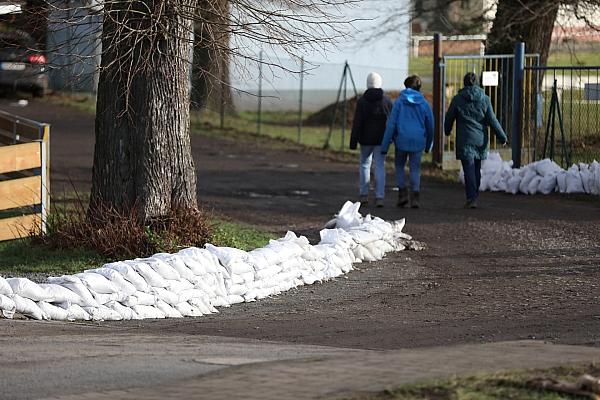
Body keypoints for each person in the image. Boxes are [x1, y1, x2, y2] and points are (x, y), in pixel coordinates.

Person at [444, 72, 508, 209]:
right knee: (476, 169)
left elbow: (449, 117)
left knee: (468, 169)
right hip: (480, 140)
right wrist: (502, 136)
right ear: (477, 83)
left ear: (464, 83)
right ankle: (474, 195)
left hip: (465, 140)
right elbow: (492, 120)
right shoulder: (485, 99)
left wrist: (447, 131)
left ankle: (471, 198)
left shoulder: (457, 99)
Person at [381, 75, 433, 209]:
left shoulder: (399, 102)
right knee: (415, 168)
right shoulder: (424, 103)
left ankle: (402, 195)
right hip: (418, 140)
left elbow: (391, 124)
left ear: (406, 86)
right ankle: (415, 197)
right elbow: (430, 125)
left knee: (399, 166)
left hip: (401, 140)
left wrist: (385, 146)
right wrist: (429, 145)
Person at [350, 72, 393, 207]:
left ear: (367, 83)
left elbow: (357, 122)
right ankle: (380, 197)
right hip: (381, 139)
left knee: (364, 165)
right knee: (379, 166)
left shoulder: (362, 101)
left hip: (365, 139)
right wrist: (392, 138)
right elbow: (392, 122)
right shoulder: (386, 101)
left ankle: (364, 195)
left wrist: (353, 141)